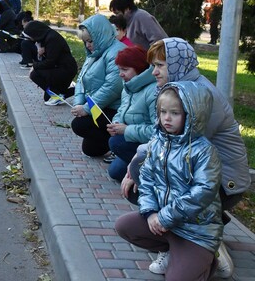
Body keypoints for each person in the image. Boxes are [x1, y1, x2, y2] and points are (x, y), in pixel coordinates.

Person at [121, 37, 251, 278]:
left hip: (223, 184)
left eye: (160, 65)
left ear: (178, 64)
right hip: (192, 173)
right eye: (153, 65)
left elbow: (181, 148)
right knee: (139, 174)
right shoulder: (178, 88)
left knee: (140, 170)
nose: (153, 71)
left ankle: (209, 242)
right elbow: (163, 144)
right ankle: (173, 239)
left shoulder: (199, 96)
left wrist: (135, 165)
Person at [115, 82, 223, 280]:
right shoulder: (158, 142)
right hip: (165, 224)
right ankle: (170, 249)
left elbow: (204, 191)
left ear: (192, 115)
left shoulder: (204, 151)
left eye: (175, 113)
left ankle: (207, 261)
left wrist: (165, 217)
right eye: (162, 111)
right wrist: (150, 213)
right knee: (124, 226)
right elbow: (146, 179)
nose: (167, 118)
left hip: (196, 230)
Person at [70, 14, 126, 156]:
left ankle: (118, 146)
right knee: (90, 150)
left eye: (90, 41)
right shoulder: (94, 54)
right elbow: (81, 81)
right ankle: (112, 144)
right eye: (85, 42)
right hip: (100, 106)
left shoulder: (117, 52)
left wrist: (87, 109)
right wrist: (78, 104)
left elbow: (113, 87)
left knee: (79, 125)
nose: (88, 45)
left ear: (100, 36)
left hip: (115, 109)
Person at [105, 45, 157, 181]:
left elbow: (157, 131)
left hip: (149, 146)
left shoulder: (153, 92)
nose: (120, 74)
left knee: (116, 142)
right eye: (119, 69)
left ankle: (152, 172)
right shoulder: (128, 85)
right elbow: (122, 109)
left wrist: (127, 130)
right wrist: (116, 123)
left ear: (139, 68)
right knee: (114, 172)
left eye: (125, 69)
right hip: (133, 139)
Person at [22, 20, 78, 105]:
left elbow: (50, 62)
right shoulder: (43, 38)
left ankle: (58, 95)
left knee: (34, 74)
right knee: (47, 98)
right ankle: (74, 90)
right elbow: (45, 61)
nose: (31, 39)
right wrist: (40, 54)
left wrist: (34, 66)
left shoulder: (52, 38)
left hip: (66, 69)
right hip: (57, 68)